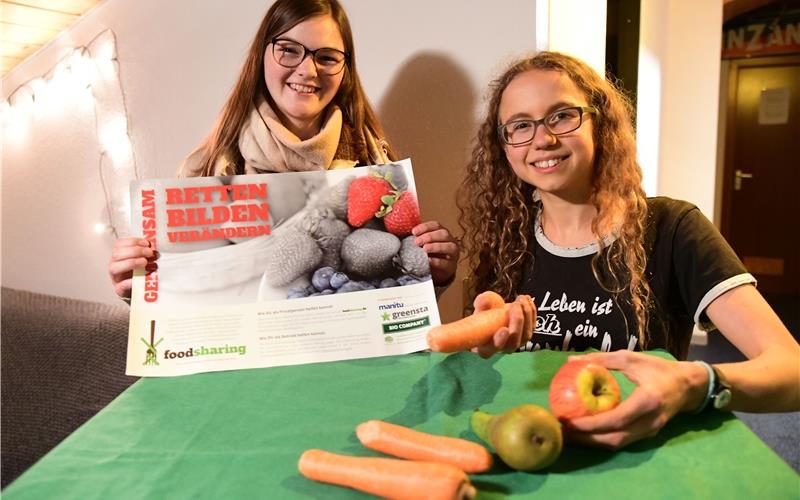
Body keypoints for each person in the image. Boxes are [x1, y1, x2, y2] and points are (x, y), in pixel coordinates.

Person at [457, 51, 800, 448]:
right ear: (503, 146)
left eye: (562, 116)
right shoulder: (504, 240)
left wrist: (697, 383)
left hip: (643, 457)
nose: (543, 139)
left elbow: (791, 370)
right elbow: (479, 371)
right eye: (520, 126)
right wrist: (482, 348)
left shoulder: (674, 228)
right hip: (530, 452)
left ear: (598, 123)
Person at [108, 0, 459, 299]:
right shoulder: (206, 170)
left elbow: (395, 288)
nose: (307, 70)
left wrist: (436, 272)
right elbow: (186, 314)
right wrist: (138, 284)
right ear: (263, 55)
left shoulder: (376, 165)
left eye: (326, 57)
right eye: (289, 50)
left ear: (345, 69)